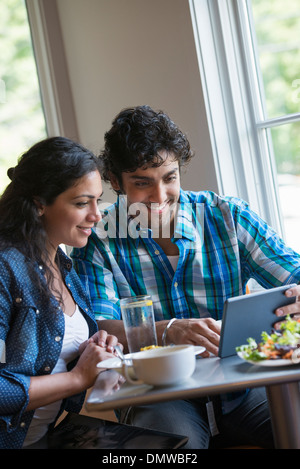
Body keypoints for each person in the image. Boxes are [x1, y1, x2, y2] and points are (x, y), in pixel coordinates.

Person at [71, 105, 300, 448]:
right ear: (116, 182)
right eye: (142, 183)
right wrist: (169, 330)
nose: (160, 197)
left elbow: (293, 275)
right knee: (176, 451)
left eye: (169, 178)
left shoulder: (228, 216)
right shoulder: (98, 240)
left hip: (244, 385)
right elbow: (98, 327)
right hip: (157, 393)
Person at [0, 136, 121, 449]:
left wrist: (91, 351)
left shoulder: (62, 264)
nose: (97, 214)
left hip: (46, 438)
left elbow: (49, 354)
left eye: (97, 200)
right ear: (40, 203)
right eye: (82, 203)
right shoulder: (4, 270)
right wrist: (78, 378)